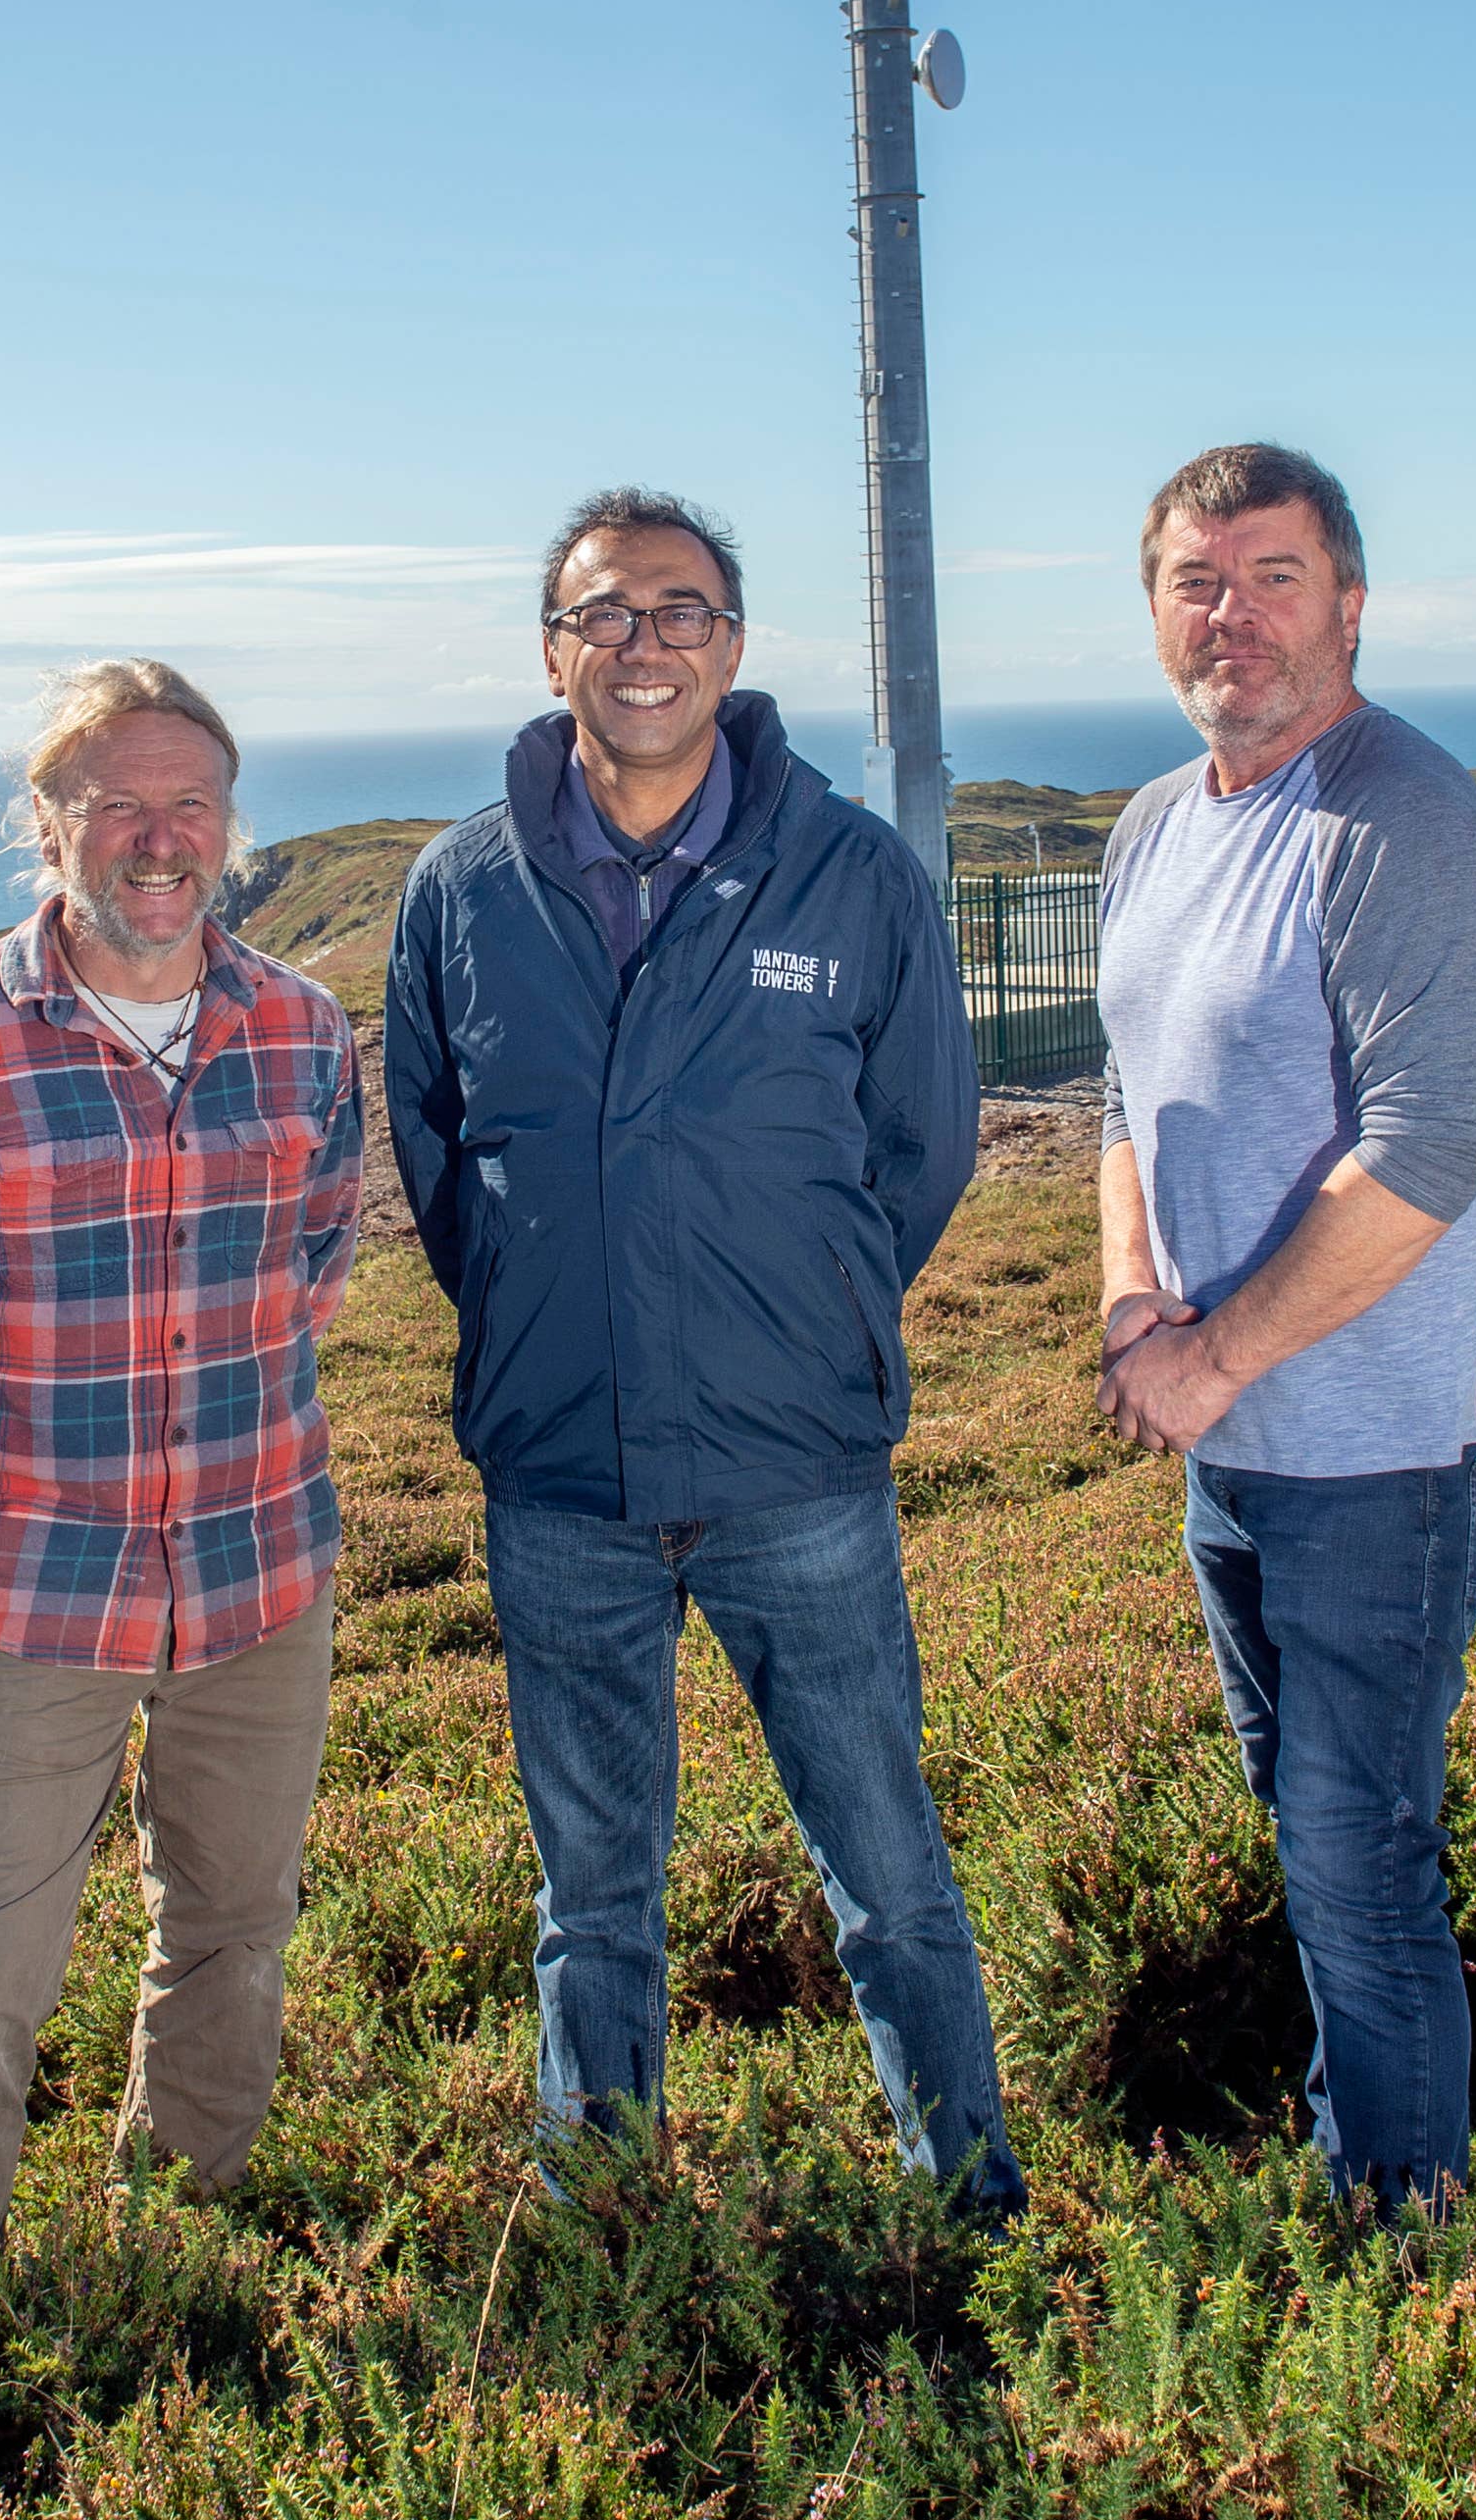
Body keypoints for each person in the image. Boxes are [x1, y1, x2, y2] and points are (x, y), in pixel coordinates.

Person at [384, 487, 1019, 2217]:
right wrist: (543, 1327)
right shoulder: (457, 891)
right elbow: (443, 1163)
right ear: (552, 649)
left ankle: (970, 2210)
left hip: (793, 1467)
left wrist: (800, 1312)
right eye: (606, 613)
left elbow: (922, 1150)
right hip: (561, 1480)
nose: (643, 642)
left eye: (680, 611)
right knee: (590, 1892)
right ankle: (603, 2223)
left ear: (732, 646)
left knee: (886, 1869)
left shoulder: (854, 869)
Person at [0, 662, 364, 2278]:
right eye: (115, 804)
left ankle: (177, 2253)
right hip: (45, 1589)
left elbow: (314, 1273)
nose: (156, 838)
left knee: (231, 1938)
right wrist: (12, 1464)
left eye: (188, 803)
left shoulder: (302, 1029)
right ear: (46, 825)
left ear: (228, 824)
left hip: (261, 1571)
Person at [1092, 441, 1476, 2209]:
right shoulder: (1149, 824)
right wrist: (1131, 1296)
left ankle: (1403, 2240)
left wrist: (1201, 1355)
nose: (1234, 614)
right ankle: (1365, 2169)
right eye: (1199, 580)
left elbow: (1426, 1149)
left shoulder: (1395, 812)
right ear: (1154, 610)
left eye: (1274, 575)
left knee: (1359, 1860)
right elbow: (1126, 1094)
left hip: (1380, 1452)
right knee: (1307, 1827)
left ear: (1350, 599)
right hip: (1234, 1448)